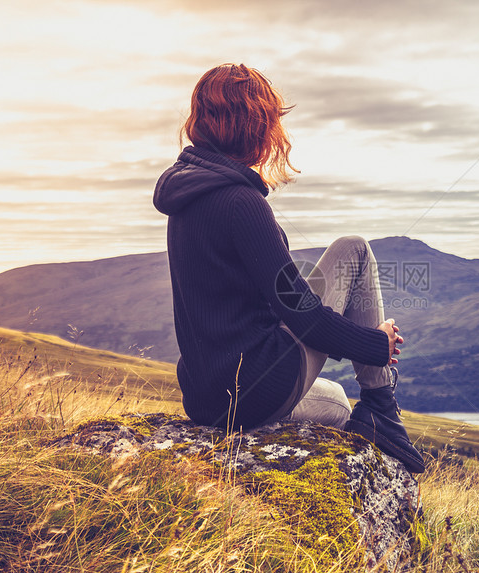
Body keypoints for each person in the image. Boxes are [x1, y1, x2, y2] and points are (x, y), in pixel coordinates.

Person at [153, 64, 425, 473]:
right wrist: (375, 344)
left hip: (207, 398)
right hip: (254, 389)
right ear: (254, 123)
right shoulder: (241, 203)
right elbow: (304, 316)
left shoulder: (186, 195)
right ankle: (382, 407)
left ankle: (369, 415)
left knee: (333, 400)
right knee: (354, 249)